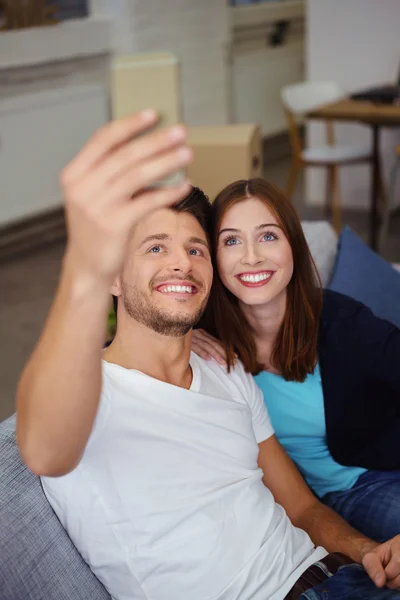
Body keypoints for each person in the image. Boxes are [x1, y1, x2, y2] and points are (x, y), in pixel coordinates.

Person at [15, 114, 400, 600]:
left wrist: (368, 553)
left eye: (196, 249)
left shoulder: (227, 369)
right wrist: (82, 268)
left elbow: (301, 509)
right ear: (111, 276)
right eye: (155, 247)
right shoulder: (88, 392)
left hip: (340, 575)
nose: (182, 262)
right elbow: (45, 449)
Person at [192, 177, 400, 546]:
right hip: (319, 500)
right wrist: (180, 335)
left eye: (268, 236)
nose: (251, 256)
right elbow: (118, 349)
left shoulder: (339, 320)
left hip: (374, 474)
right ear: (213, 256)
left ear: (294, 247)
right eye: (232, 240)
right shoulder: (205, 334)